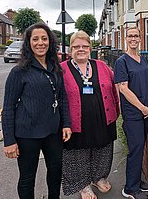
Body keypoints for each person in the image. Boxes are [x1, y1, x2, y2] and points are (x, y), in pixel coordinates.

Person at [2, 22, 71, 199]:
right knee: (27, 178)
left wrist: (66, 124)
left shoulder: (56, 68)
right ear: (28, 43)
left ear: (50, 42)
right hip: (27, 134)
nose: (40, 43)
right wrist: (9, 140)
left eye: (44, 38)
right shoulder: (19, 72)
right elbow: (8, 107)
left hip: (53, 133)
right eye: (35, 39)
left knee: (55, 173)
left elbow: (62, 98)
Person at [60, 31, 119, 199]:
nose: (81, 49)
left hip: (103, 116)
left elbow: (115, 86)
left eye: (84, 46)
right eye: (76, 46)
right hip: (76, 120)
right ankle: (83, 185)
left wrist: (117, 109)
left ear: (90, 48)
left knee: (103, 147)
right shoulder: (62, 69)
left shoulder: (101, 66)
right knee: (78, 154)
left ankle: (99, 178)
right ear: (70, 49)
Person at [114, 27, 148, 199]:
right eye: (130, 36)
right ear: (126, 38)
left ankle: (137, 181)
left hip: (147, 111)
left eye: (136, 36)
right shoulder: (122, 62)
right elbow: (123, 88)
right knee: (136, 149)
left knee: (140, 147)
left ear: (140, 38)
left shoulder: (144, 60)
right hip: (133, 114)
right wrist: (142, 107)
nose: (134, 38)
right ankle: (130, 188)